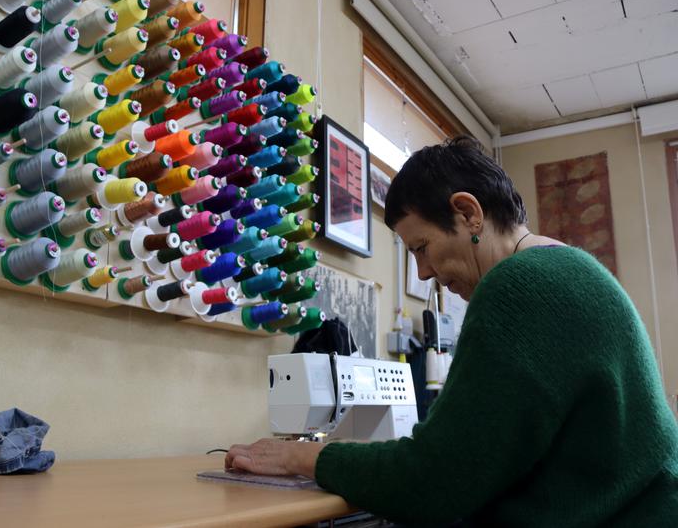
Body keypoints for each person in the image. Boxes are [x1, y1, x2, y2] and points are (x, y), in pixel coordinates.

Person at [225, 136, 678, 526]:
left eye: (422, 248)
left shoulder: (522, 285)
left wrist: (302, 457)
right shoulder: (568, 265)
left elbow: (435, 481)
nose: (423, 273)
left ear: (468, 213)